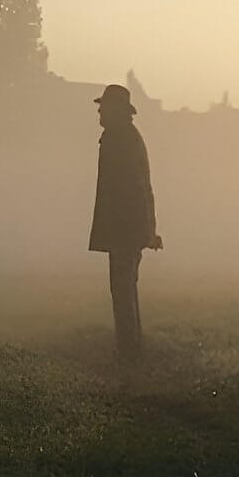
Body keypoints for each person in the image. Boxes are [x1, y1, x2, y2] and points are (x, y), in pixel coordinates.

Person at [89, 84, 160, 360]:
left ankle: (129, 351)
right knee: (124, 288)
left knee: (122, 289)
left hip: (125, 230)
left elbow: (133, 189)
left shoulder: (120, 140)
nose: (99, 111)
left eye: (103, 107)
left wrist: (141, 231)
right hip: (127, 229)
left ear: (115, 110)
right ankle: (131, 347)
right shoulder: (123, 137)